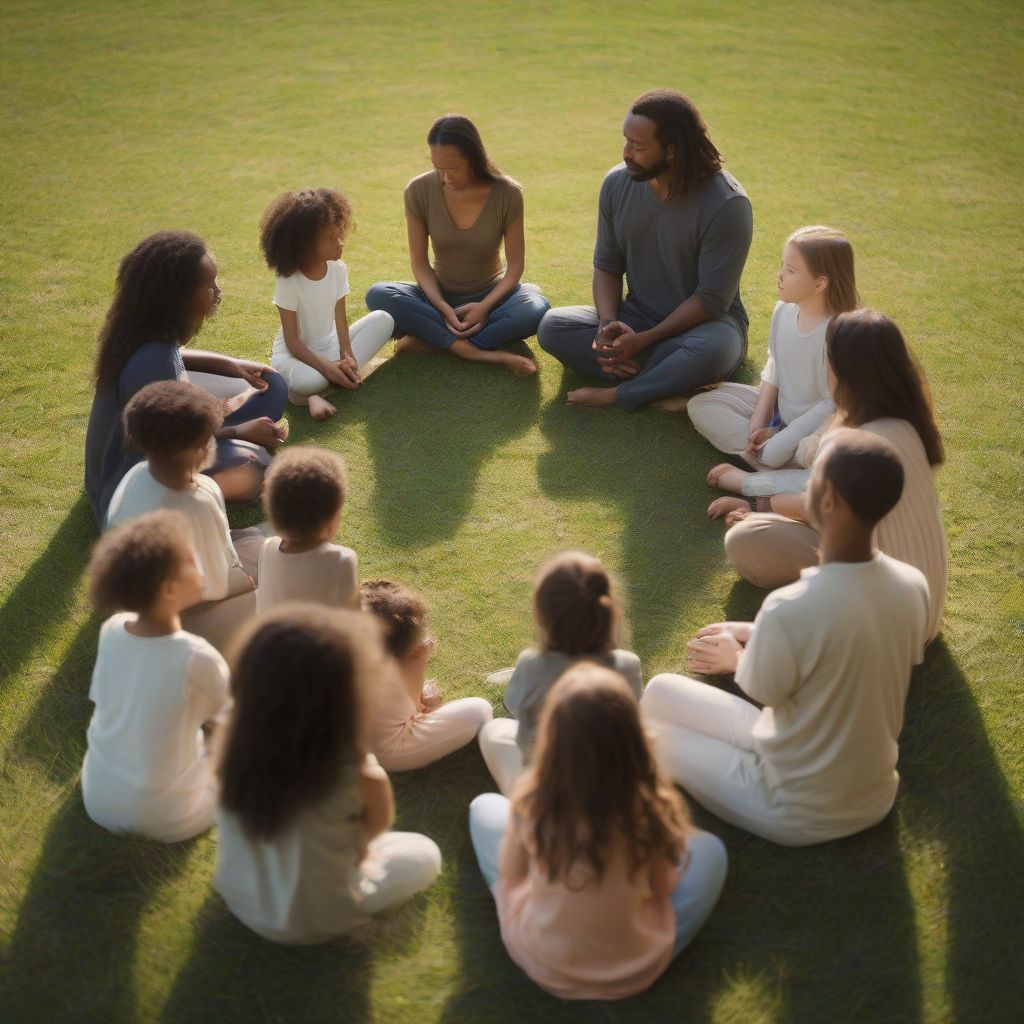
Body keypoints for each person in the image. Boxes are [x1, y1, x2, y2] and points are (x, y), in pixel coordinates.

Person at [641, 430, 930, 846]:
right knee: (660, 691)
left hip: (798, 803)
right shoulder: (910, 583)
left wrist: (735, 656)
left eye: (811, 478)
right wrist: (752, 632)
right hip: (864, 782)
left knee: (647, 737)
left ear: (825, 503)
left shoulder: (790, 607)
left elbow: (767, 687)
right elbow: (846, 642)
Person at [469, 664, 727, 1001]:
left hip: (542, 961)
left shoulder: (531, 805)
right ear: (633, 740)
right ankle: (651, 945)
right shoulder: (650, 812)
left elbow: (513, 874)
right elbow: (663, 889)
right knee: (710, 851)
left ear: (552, 740)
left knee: (483, 807)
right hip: (635, 971)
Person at [214, 605, 443, 944]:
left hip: (240, 899)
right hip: (311, 921)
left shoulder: (231, 746)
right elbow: (368, 841)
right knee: (425, 853)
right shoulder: (358, 768)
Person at [722, 309, 947, 641]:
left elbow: (811, 511)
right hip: (924, 602)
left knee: (745, 540)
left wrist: (763, 507)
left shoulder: (849, 440)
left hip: (887, 620)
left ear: (843, 369)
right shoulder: (909, 423)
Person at [537, 88, 752, 410]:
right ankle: (666, 381)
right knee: (553, 326)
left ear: (672, 150)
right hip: (636, 318)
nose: (626, 153)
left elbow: (711, 301)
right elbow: (608, 264)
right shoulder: (616, 184)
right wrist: (606, 327)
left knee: (713, 351)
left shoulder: (727, 205)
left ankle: (621, 392)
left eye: (638, 146)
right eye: (625, 141)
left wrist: (643, 340)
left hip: (707, 326)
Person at [85, 230, 287, 523]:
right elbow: (174, 441)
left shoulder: (141, 335)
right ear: (176, 297)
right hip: (128, 488)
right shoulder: (154, 361)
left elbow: (176, 356)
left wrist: (231, 365)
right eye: (208, 285)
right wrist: (240, 432)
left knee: (273, 386)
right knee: (256, 467)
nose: (218, 291)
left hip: (150, 448)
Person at [688, 226, 858, 518]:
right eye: (783, 266)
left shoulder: (837, 333)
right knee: (701, 405)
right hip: (782, 419)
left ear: (820, 284)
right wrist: (760, 419)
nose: (780, 274)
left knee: (824, 479)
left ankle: (751, 482)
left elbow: (833, 403)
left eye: (790, 270)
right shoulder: (784, 311)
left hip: (816, 436)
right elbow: (775, 363)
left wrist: (783, 440)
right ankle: (766, 456)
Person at [81, 510, 231, 842]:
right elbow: (227, 727)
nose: (201, 566)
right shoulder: (197, 656)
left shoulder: (111, 630)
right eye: (192, 561)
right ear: (169, 588)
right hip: (166, 818)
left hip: (98, 798)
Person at [365, 114, 550, 374]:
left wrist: (484, 308)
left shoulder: (508, 194)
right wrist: (441, 307)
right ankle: (471, 348)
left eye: (453, 168)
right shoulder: (418, 190)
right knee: (378, 294)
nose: (444, 177)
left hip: (491, 296)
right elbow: (419, 263)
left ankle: (433, 340)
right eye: (437, 167)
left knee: (537, 308)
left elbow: (515, 267)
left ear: (474, 158)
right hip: (436, 298)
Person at [106, 381, 262, 652]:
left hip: (143, 602)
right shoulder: (197, 501)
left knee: (263, 540)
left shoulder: (136, 475)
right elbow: (210, 589)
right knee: (281, 563)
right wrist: (249, 580)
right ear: (200, 448)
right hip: (183, 616)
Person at [478, 551, 642, 796]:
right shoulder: (628, 665)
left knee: (494, 731)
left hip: (549, 787)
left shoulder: (532, 664)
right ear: (609, 610)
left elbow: (513, 704)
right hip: (607, 783)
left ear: (543, 617)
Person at [261, 188, 395, 421]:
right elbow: (293, 342)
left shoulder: (337, 269)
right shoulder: (289, 280)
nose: (340, 243)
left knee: (384, 319)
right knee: (312, 380)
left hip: (330, 345)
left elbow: (341, 321)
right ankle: (310, 394)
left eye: (339, 235)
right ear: (306, 245)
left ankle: (321, 386)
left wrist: (348, 356)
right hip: (295, 354)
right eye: (331, 238)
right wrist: (327, 368)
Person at [360, 580, 493, 771]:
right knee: (480, 710)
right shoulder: (412, 660)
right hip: (389, 753)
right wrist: (434, 703)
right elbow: (419, 709)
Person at [256, 446, 359, 613]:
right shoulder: (342, 560)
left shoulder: (268, 546)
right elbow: (352, 620)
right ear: (332, 520)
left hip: (271, 636)